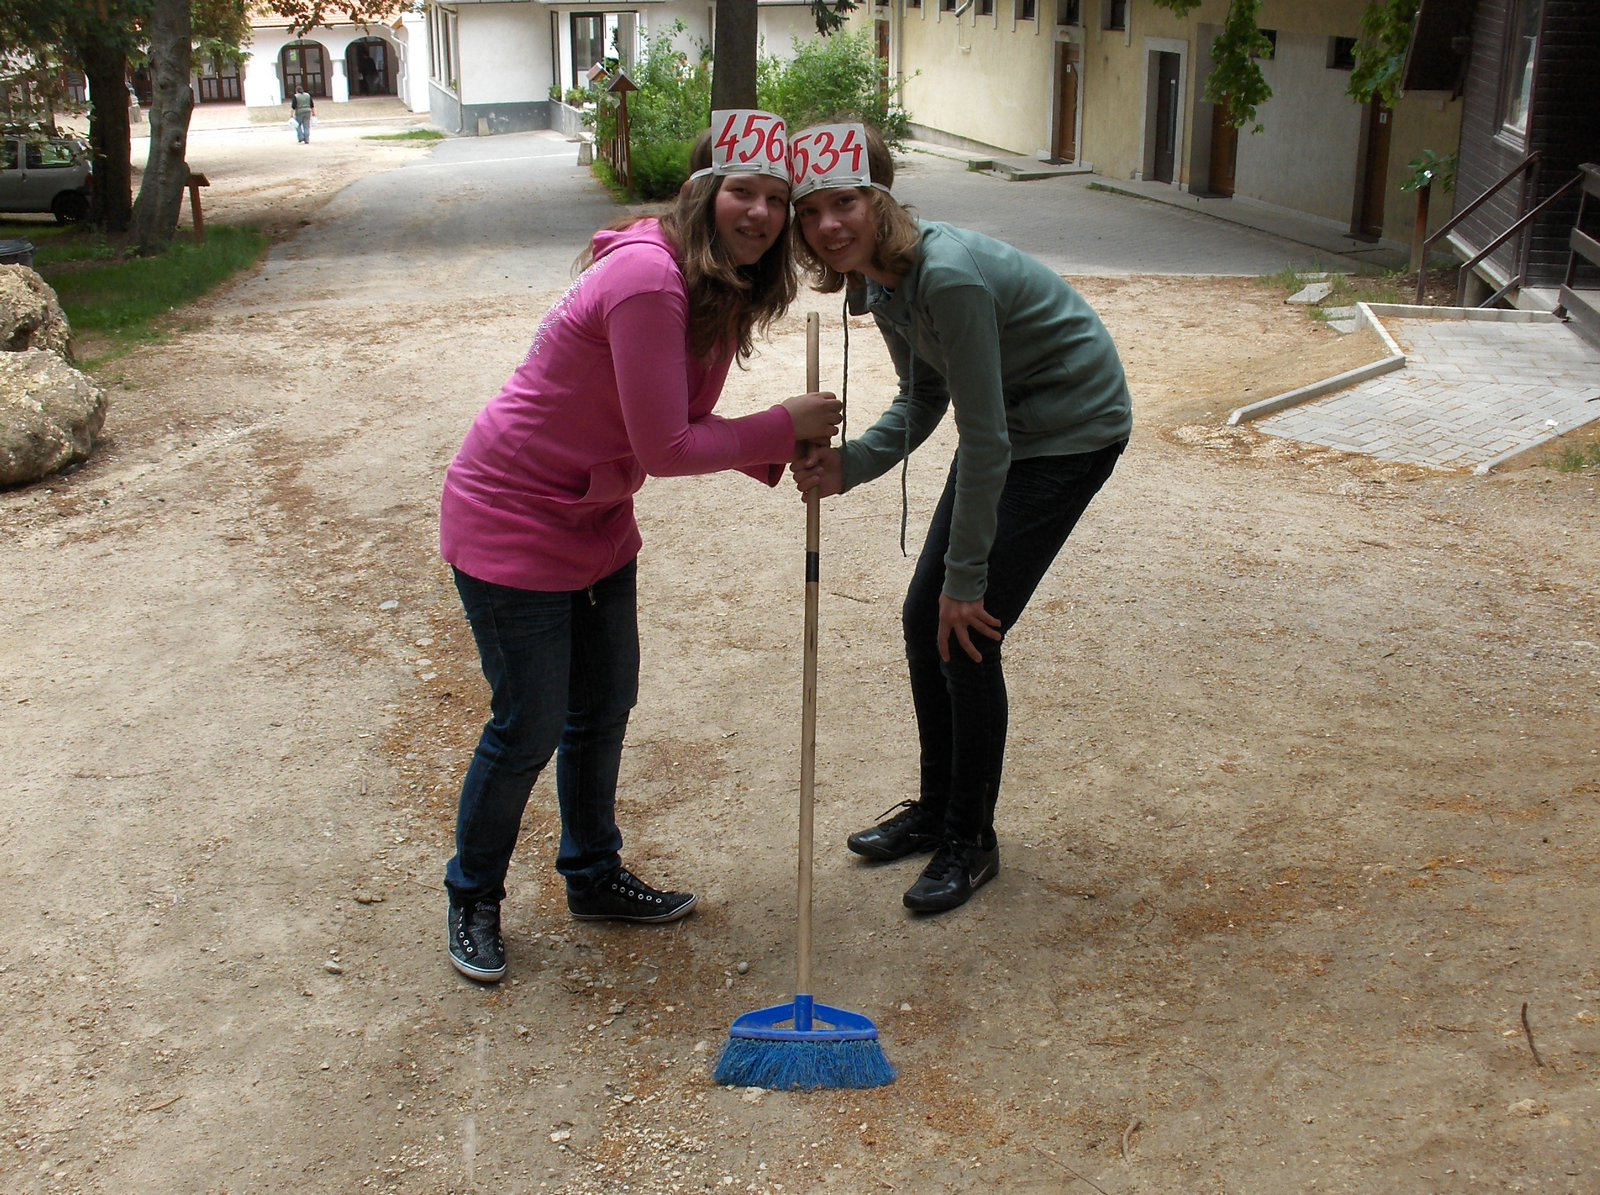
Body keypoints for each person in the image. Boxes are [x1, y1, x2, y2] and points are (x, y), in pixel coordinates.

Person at [439, 111, 841, 982]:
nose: (762, 213)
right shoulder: (651, 281)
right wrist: (783, 424)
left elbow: (679, 419)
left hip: (595, 515)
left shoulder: (717, 285)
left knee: (603, 704)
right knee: (530, 724)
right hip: (512, 516)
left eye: (777, 198)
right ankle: (473, 893)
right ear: (701, 191)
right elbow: (668, 450)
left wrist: (782, 447)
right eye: (744, 191)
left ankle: (592, 876)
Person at [788, 121, 1131, 915]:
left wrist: (968, 579)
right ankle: (938, 806)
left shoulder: (946, 277)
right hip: (1010, 427)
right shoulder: (874, 283)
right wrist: (852, 465)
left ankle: (972, 839)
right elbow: (923, 395)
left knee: (965, 630)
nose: (829, 224)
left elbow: (986, 440)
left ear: (880, 200)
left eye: (846, 203)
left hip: (1069, 430)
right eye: (811, 211)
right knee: (923, 619)